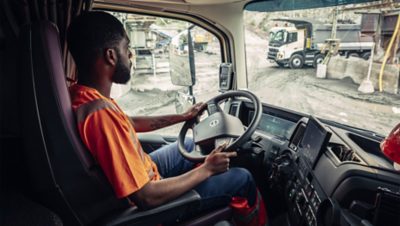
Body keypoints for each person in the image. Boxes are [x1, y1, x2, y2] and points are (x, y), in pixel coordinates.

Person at [67, 11, 266, 225]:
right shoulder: (100, 115)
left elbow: (130, 124)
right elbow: (146, 197)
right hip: (148, 203)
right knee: (242, 178)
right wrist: (208, 169)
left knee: (190, 145)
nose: (131, 56)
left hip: (144, 172)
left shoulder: (84, 95)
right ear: (111, 56)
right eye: (127, 49)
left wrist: (182, 117)